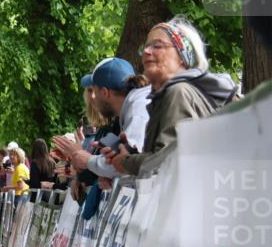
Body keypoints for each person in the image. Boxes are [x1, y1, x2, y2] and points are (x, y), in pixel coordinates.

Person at [101, 17, 237, 176]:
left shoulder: (179, 92)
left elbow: (167, 164)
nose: (146, 51)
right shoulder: (169, 95)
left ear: (182, 56)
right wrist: (131, 153)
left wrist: (125, 163)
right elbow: (167, 155)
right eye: (145, 47)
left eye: (157, 45)